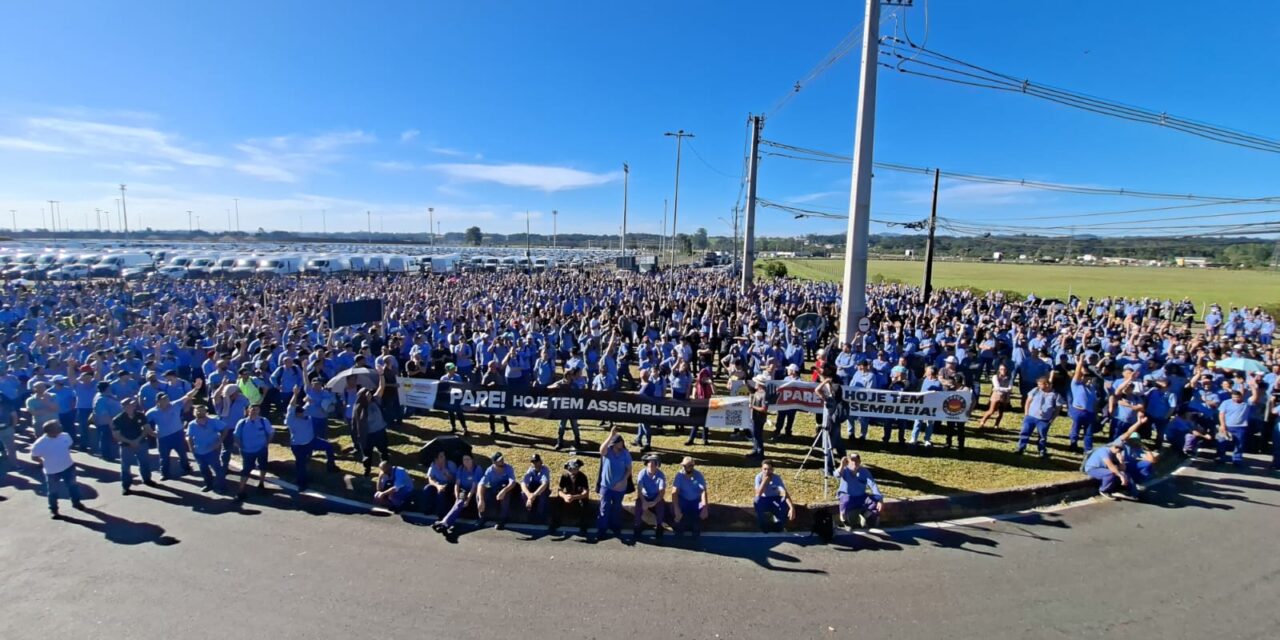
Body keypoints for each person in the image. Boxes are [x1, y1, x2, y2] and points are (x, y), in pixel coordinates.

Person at [145, 380, 202, 480]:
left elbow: (187, 396)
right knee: (164, 457)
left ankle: (186, 468)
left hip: (178, 434)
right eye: (163, 399)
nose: (166, 400)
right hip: (163, 437)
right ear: (158, 401)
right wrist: (152, 433)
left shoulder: (175, 404)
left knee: (182, 454)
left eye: (167, 398)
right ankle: (165, 474)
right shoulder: (152, 412)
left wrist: (196, 388)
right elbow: (145, 423)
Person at [284, 387, 337, 493]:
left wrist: (309, 399)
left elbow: (308, 403)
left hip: (312, 441)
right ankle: (302, 483)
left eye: (302, 412)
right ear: (295, 414)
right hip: (298, 446)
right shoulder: (291, 420)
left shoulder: (306, 415)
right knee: (301, 464)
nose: (301, 413)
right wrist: (295, 394)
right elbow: (291, 406)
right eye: (299, 413)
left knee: (328, 446)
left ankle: (331, 466)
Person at [30, 420, 84, 517]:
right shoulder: (40, 443)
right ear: (50, 431)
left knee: (73, 486)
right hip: (52, 471)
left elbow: (68, 446)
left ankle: (76, 503)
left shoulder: (65, 435)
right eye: (57, 427)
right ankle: (54, 510)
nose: (60, 427)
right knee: (53, 492)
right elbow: (34, 456)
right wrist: (42, 462)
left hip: (68, 466)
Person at [351, 367, 390, 476]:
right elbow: (356, 424)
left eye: (369, 393)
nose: (369, 395)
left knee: (384, 451)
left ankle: (386, 469)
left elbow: (382, 387)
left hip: (380, 432)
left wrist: (381, 375)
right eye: (366, 394)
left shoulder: (376, 400)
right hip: (368, 435)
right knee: (367, 454)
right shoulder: (359, 408)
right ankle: (367, 470)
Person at [111, 397, 155, 494]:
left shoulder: (140, 415)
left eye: (133, 404)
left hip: (141, 442)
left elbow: (146, 429)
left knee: (144, 462)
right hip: (126, 445)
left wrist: (137, 440)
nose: (132, 406)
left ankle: (147, 479)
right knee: (125, 466)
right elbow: (116, 435)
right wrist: (130, 442)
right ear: (124, 407)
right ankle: (126, 486)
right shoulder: (117, 419)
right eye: (129, 405)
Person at [595, 426, 632, 540]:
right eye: (618, 442)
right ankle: (602, 529)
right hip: (606, 486)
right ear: (614, 444)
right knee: (604, 507)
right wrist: (611, 435)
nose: (621, 444)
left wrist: (623, 480)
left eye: (621, 442)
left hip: (620, 487)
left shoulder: (625, 453)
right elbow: (601, 450)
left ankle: (615, 527)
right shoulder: (608, 452)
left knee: (617, 508)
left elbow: (629, 469)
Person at [434, 453, 484, 538]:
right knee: (460, 501)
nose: (466, 461)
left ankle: (445, 522)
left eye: (468, 459)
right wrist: (457, 496)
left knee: (466, 498)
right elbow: (457, 484)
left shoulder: (477, 469)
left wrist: (468, 500)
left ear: (472, 460)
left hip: (474, 490)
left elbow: (474, 486)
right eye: (464, 460)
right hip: (463, 490)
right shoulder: (461, 468)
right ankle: (445, 523)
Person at [233, 403, 274, 502]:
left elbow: (271, 432)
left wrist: (266, 444)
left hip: (261, 449)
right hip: (247, 451)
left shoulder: (264, 421)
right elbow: (236, 435)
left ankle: (261, 483)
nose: (254, 411)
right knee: (246, 470)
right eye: (252, 409)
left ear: (259, 411)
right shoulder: (242, 422)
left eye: (256, 409)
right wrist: (240, 446)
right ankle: (240, 491)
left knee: (263, 466)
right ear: (248, 410)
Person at [1216, 376, 1260, 467]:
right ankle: (1221, 457)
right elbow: (1221, 414)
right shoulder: (1226, 402)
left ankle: (1237, 459)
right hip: (1227, 426)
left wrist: (1253, 387)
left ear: (1241, 396)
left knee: (1239, 444)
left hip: (1241, 427)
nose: (1235, 399)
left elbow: (1255, 397)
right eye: (1234, 397)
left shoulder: (1246, 404)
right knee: (1222, 442)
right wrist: (1222, 426)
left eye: (1237, 397)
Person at [1016, 376, 1062, 458]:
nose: (1039, 386)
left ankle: (1042, 451)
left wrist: (1052, 419)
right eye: (1038, 384)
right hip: (1031, 416)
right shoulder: (1035, 390)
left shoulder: (1055, 395)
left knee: (1042, 436)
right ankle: (1021, 447)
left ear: (1047, 384)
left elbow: (1057, 409)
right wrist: (1026, 413)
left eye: (1040, 384)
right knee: (1025, 432)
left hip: (1044, 420)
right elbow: (1028, 401)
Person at [186, 403, 228, 493]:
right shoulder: (192, 424)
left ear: (206, 412)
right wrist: (191, 448)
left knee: (217, 469)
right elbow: (189, 437)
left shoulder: (213, 421)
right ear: (194, 412)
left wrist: (219, 442)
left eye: (202, 410)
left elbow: (225, 429)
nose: (200, 412)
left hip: (212, 451)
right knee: (204, 470)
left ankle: (222, 487)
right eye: (198, 411)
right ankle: (209, 485)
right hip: (198, 451)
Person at [836, 453, 882, 530]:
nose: (854, 463)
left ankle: (865, 517)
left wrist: (880, 499)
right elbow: (837, 475)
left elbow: (873, 485)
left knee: (875, 503)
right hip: (847, 497)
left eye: (856, 461)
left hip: (861, 497)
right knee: (846, 512)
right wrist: (842, 465)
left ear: (860, 462)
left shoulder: (864, 471)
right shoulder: (844, 470)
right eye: (852, 461)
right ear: (848, 462)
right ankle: (845, 522)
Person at [549, 458, 591, 537]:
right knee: (557, 501)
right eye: (570, 469)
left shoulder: (583, 477)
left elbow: (586, 492)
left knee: (584, 503)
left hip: (578, 496)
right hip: (568, 495)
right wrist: (564, 496)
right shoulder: (564, 476)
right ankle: (555, 523)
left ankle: (583, 526)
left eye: (574, 468)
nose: (571, 470)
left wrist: (575, 497)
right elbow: (559, 490)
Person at [753, 459, 795, 533]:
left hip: (775, 499)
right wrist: (765, 481)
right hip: (764, 499)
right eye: (765, 469)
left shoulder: (776, 478)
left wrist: (792, 508)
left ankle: (778, 526)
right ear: (761, 469)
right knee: (756, 500)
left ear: (773, 470)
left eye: (769, 469)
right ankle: (764, 526)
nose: (767, 471)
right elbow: (758, 494)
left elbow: (785, 493)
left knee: (783, 504)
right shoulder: (758, 477)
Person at [478, 451, 518, 529]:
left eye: (502, 459)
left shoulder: (508, 468)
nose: (502, 461)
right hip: (495, 490)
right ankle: (482, 517)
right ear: (494, 462)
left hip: (507, 490)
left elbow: (512, 482)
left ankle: (502, 519)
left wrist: (504, 490)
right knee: (480, 494)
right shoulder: (489, 470)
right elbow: (481, 484)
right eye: (500, 460)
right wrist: (481, 499)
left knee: (505, 494)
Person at [671, 455, 708, 538]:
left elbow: (703, 491)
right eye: (683, 466)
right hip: (683, 500)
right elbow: (674, 492)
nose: (684, 468)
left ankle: (696, 527)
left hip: (696, 501)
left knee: (702, 509)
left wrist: (705, 507)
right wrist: (676, 508)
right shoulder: (679, 475)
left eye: (687, 466)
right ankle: (679, 527)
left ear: (692, 466)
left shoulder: (699, 475)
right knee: (675, 509)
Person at [632, 453, 666, 539]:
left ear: (657, 465)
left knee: (661, 506)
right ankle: (637, 526)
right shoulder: (642, 473)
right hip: (644, 496)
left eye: (654, 464)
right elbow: (639, 490)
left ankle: (659, 526)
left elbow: (662, 492)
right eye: (649, 464)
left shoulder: (661, 475)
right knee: (638, 505)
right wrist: (644, 502)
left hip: (656, 497)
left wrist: (655, 501)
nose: (651, 466)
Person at [421, 450, 457, 517]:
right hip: (438, 484)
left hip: (449, 485)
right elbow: (430, 478)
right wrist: (437, 485)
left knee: (441, 492)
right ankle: (427, 509)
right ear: (436, 458)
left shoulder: (451, 464)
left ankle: (441, 514)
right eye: (440, 456)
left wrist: (448, 475)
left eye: (443, 456)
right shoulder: (433, 465)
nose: (443, 458)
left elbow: (455, 480)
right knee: (427, 488)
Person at [977, 363, 1014, 429]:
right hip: (996, 395)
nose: (1003, 370)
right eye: (1001, 369)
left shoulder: (1010, 377)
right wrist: (1006, 389)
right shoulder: (995, 377)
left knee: (1001, 412)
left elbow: (1010, 388)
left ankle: (996, 425)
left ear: (1007, 370)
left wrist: (1003, 389)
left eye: (1004, 369)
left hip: (1005, 397)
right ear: (999, 370)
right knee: (991, 410)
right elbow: (997, 387)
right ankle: (982, 422)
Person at [520, 453, 552, 523]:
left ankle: (540, 517)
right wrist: (528, 495)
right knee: (523, 494)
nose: (535, 464)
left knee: (542, 497)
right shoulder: (531, 469)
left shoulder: (545, 469)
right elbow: (523, 483)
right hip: (533, 489)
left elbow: (544, 484)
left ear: (540, 461)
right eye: (533, 462)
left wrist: (533, 495)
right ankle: (527, 515)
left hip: (542, 489)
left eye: (536, 461)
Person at [747, 374, 769, 458]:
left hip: (759, 418)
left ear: (759, 384)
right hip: (754, 417)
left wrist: (752, 407)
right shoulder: (757, 391)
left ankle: (760, 453)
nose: (754, 383)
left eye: (756, 382)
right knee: (755, 435)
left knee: (758, 435)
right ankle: (755, 450)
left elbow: (764, 409)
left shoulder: (764, 394)